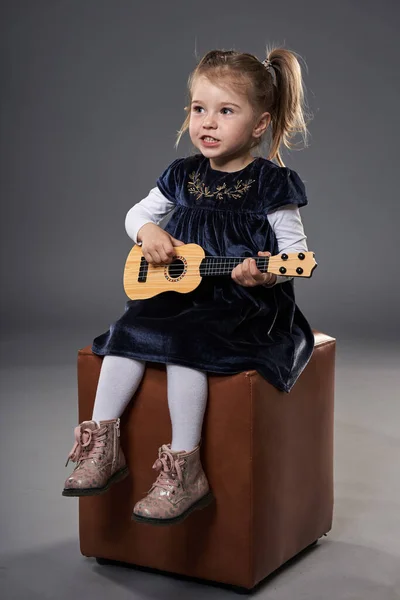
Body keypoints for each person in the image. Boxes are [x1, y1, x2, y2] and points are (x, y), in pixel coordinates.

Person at [63, 47, 315, 527]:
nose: (209, 123)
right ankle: (101, 446)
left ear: (259, 125)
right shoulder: (182, 175)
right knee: (125, 331)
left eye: (226, 111)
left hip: (243, 307)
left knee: (186, 344)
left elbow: (294, 254)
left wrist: (268, 272)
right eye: (200, 109)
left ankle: (183, 470)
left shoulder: (271, 184)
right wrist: (148, 232)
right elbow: (136, 214)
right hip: (179, 295)